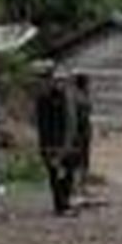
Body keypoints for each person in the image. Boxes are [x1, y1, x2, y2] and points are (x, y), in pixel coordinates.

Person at [35, 68, 80, 216]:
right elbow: (44, 125)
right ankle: (60, 206)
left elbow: (72, 122)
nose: (61, 83)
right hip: (52, 144)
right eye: (57, 80)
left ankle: (65, 202)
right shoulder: (45, 98)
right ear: (52, 81)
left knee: (68, 174)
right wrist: (47, 147)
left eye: (63, 80)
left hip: (69, 143)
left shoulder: (69, 97)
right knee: (55, 175)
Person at [73, 73, 93, 196]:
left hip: (84, 131)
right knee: (79, 160)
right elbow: (79, 117)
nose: (89, 86)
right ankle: (78, 186)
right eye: (88, 83)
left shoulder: (83, 96)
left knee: (84, 160)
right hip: (79, 132)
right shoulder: (78, 98)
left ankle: (82, 186)